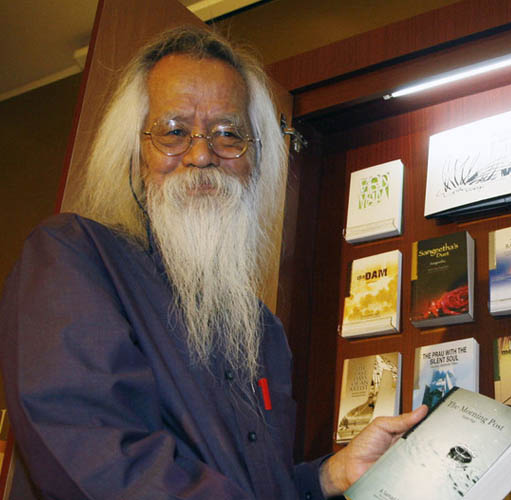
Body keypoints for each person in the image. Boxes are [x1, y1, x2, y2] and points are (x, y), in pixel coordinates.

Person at [0, 26, 426, 499]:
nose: (202, 155)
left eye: (228, 134)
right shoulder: (74, 255)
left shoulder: (262, 330)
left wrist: (330, 475)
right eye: (174, 131)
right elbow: (100, 465)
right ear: (134, 154)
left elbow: (260, 484)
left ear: (255, 160)